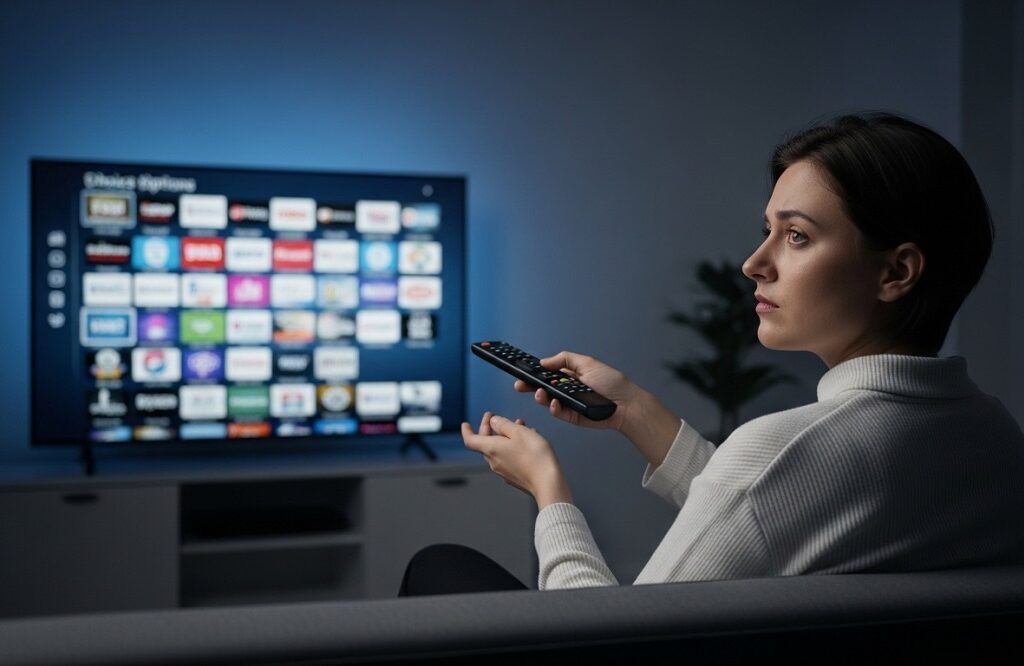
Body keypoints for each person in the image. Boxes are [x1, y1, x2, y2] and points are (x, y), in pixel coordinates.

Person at [402, 112, 1024, 595]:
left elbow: (615, 644)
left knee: (439, 566)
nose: (755, 264)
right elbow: (771, 508)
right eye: (767, 231)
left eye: (797, 236)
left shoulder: (778, 452)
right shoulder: (994, 437)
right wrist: (633, 411)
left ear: (896, 272)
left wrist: (549, 492)